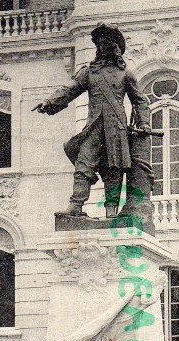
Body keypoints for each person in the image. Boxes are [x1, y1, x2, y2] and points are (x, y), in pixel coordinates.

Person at [34, 22, 151, 217]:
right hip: (94, 127)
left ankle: (111, 210)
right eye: (100, 44)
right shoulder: (88, 72)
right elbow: (70, 89)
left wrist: (144, 123)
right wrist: (50, 102)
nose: (102, 48)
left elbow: (140, 100)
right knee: (83, 164)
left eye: (107, 44)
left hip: (117, 128)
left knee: (114, 170)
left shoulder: (125, 74)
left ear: (115, 47)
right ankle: (76, 205)